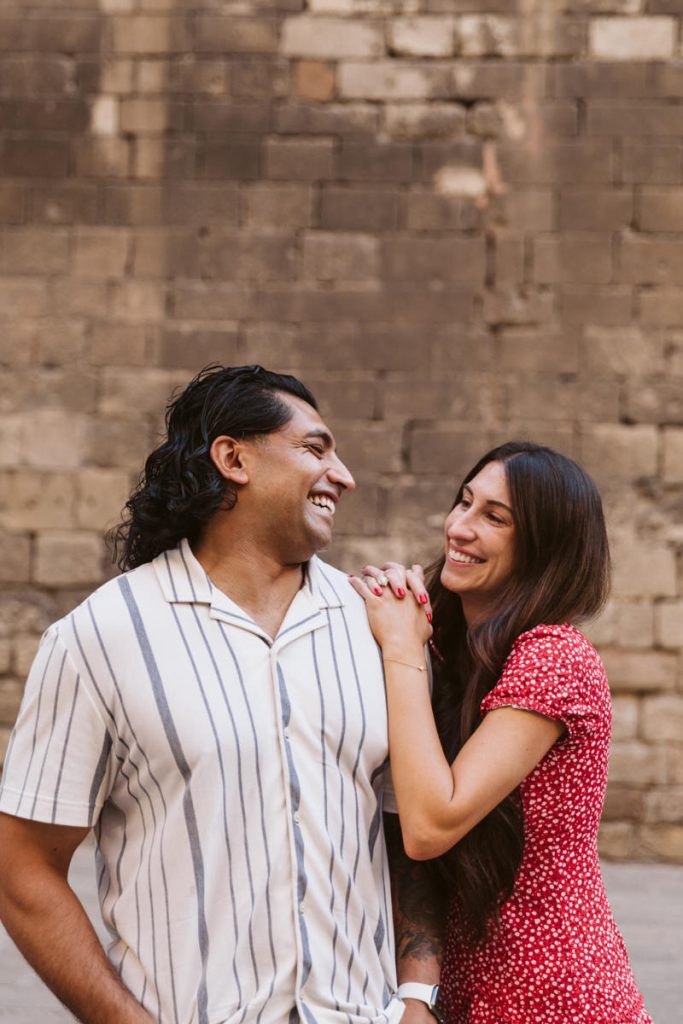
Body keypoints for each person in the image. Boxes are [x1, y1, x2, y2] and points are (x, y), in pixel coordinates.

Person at [0, 364, 438, 1024]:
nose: (343, 475)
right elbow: (22, 867)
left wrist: (416, 1000)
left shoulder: (379, 629)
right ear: (233, 458)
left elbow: (414, 836)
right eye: (315, 448)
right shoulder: (102, 635)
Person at [351, 441, 652, 1024]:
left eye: (495, 517)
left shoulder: (555, 656)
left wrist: (400, 646)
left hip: (556, 994)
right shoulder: (453, 651)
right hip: (468, 992)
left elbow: (431, 824)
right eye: (464, 502)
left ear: (543, 547)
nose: (459, 528)